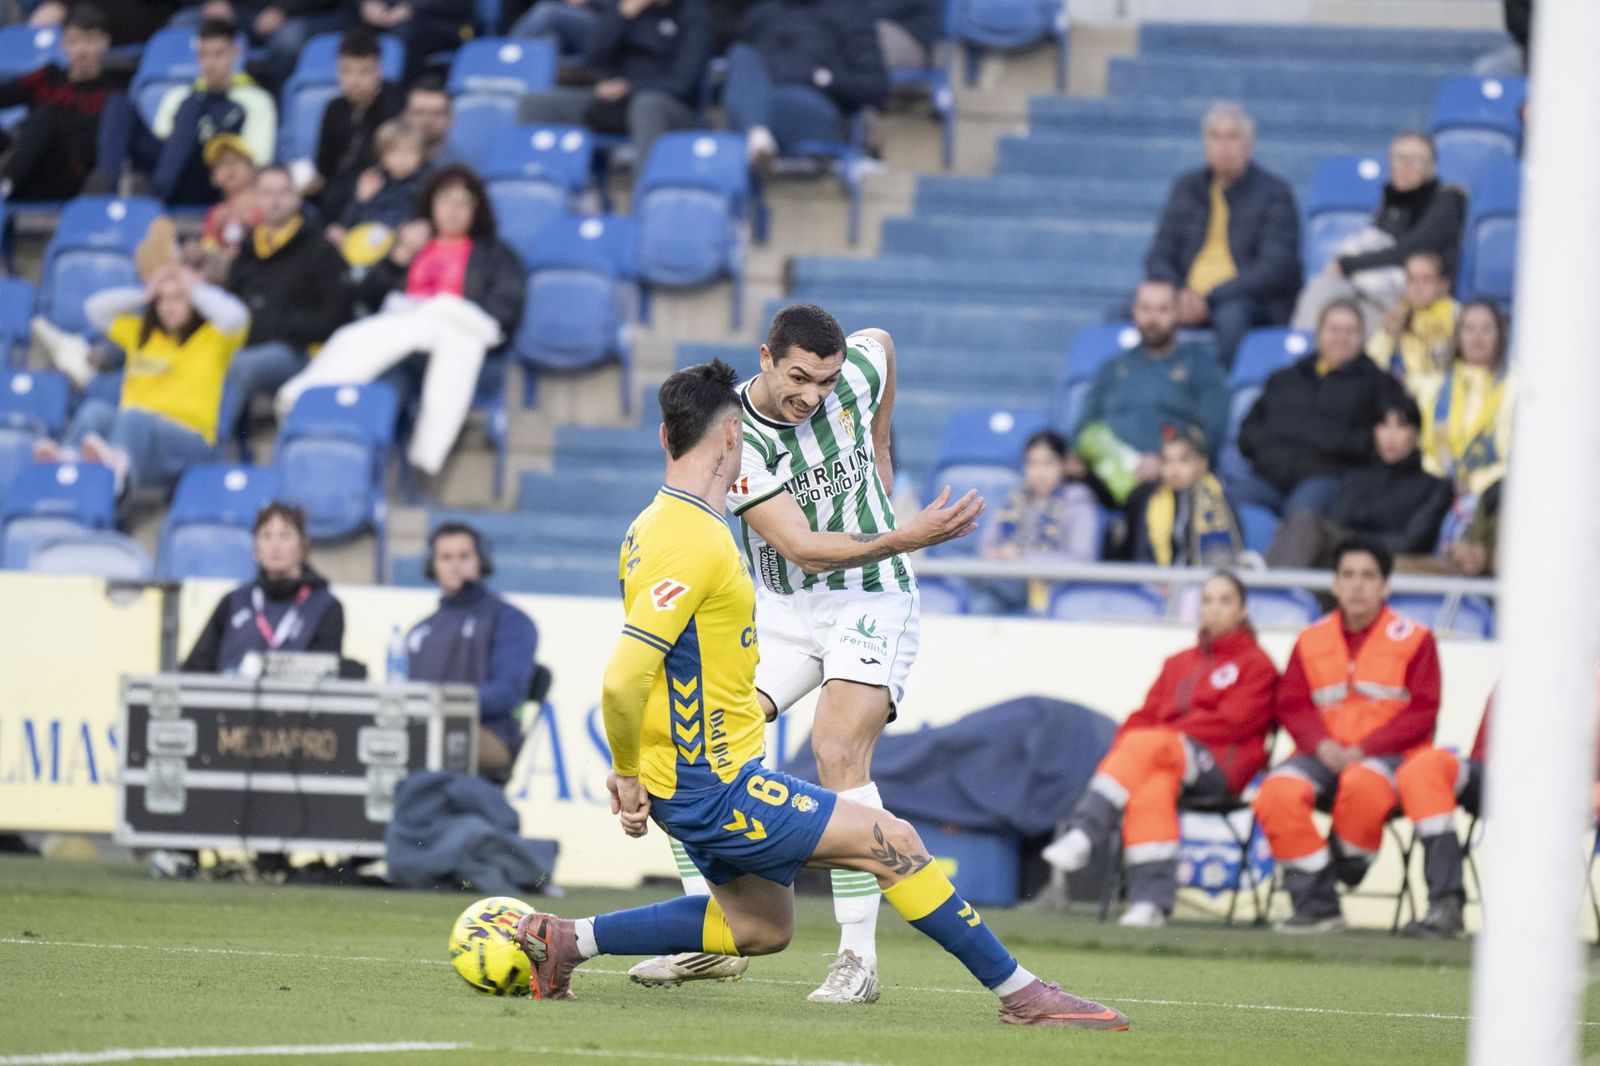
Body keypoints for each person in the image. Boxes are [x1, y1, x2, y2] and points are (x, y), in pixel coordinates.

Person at [510, 358, 1130, 1032]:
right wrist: (627, 771)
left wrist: (641, 770)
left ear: (665, 438)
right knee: (891, 839)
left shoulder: (650, 526)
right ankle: (1023, 993)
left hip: (692, 778)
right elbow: (624, 675)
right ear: (730, 441)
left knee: (757, 928)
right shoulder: (691, 540)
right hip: (711, 786)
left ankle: (565, 941)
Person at [631, 305, 983, 1001]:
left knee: (837, 748)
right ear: (765, 357)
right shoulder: (735, 437)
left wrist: (882, 450)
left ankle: (858, 961)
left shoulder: (858, 366)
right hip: (789, 609)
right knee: (685, 743)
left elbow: (882, 341)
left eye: (825, 382)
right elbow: (798, 547)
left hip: (873, 597)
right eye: (798, 378)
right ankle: (720, 934)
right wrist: (906, 533)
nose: (813, 396)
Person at [1042, 572, 1277, 927]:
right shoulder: (1178, 662)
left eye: (1225, 600)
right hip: (1167, 759)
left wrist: (1160, 736)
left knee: (1151, 745)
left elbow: (1234, 722)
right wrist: (1134, 743)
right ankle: (1150, 903)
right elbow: (1144, 714)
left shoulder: (1257, 664)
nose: (1214, 609)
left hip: (1221, 770)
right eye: (1208, 600)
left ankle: (1085, 831)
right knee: (1151, 781)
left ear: (1242, 609)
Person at [274, 165, 525, 476]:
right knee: (375, 373)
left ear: (478, 209)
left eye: (463, 202)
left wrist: (444, 312)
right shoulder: (411, 246)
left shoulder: (496, 255)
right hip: (397, 346)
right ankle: (335, 455)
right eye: (445, 200)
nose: (453, 210)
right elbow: (367, 299)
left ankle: (376, 470)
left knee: (388, 383)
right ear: (430, 206)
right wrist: (399, 257)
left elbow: (502, 315)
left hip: (454, 348)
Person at [1252, 537, 1441, 932]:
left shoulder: (1416, 638)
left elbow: (1422, 710)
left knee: (1363, 780)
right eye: (1348, 575)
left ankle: (1346, 864)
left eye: (1368, 576)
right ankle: (1318, 905)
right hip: (1321, 755)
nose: (1357, 585)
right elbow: (1292, 703)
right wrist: (1321, 744)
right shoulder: (1311, 637)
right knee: (1276, 791)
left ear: (1385, 586)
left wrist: (1365, 749)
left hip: (1387, 758)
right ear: (1335, 584)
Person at [34, 264, 249, 495]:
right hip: (139, 441)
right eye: (162, 299)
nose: (169, 306)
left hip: (191, 442)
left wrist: (193, 287)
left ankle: (116, 486)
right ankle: (66, 464)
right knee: (95, 411)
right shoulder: (141, 334)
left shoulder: (214, 338)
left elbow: (236, 315)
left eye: (178, 298)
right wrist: (145, 293)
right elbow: (94, 309)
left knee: (135, 418)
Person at [1142, 102, 1301, 368]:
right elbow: (1159, 253)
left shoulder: (1275, 192)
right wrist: (1176, 295)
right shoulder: (1186, 188)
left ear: (1249, 146)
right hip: (1185, 297)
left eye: (1232, 137)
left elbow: (1275, 267)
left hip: (1243, 300)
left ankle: (1223, 401)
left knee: (1232, 318)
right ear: (1205, 145)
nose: (1223, 146)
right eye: (1215, 137)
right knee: (1127, 314)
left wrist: (1210, 298)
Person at [216, 164, 354, 453]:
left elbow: (338, 316)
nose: (275, 200)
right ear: (255, 199)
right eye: (266, 193)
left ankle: (213, 450)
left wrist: (280, 325)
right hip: (249, 345)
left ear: (297, 198)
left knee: (241, 366)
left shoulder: (320, 248)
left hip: (300, 352)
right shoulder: (248, 248)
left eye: (283, 192)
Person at [1234, 299, 1407, 519]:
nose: (1341, 338)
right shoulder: (1285, 378)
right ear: (1318, 333)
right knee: (1221, 504)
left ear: (1363, 337)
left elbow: (1386, 438)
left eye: (1350, 331)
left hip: (1327, 477)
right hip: (1268, 476)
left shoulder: (1378, 383)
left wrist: (1338, 448)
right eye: (1334, 329)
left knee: (1302, 516)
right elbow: (1249, 428)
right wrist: (1265, 450)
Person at [1292, 132, 1467, 335]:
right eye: (1400, 159)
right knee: (1322, 288)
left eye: (1417, 160)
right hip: (1369, 294)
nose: (1407, 166)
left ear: (1433, 166)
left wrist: (1347, 264)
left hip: (1409, 309)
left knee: (1342, 321)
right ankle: (1303, 353)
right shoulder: (1391, 204)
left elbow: (1411, 250)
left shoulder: (1446, 200)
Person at [1074, 280, 1229, 504]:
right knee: (1065, 492)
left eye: (1162, 309)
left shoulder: (1202, 367)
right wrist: (1074, 458)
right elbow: (1085, 424)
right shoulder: (1112, 368)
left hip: (1166, 472)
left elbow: (1210, 431)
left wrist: (1164, 459)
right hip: (1107, 469)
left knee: (1148, 497)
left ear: (1177, 312)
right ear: (1134, 312)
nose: (1153, 319)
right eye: (1145, 309)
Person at [93, 17, 277, 205]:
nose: (210, 64)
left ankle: (155, 199)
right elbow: (166, 148)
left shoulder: (255, 100)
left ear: (235, 54)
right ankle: (104, 194)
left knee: (192, 107)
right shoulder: (179, 96)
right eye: (203, 55)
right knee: (118, 103)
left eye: (218, 54)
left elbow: (258, 160)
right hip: (171, 174)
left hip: (215, 180)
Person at [406, 523, 539, 782]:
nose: (455, 565)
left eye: (464, 556)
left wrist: (444, 703)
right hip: (429, 729)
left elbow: (508, 691)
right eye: (446, 557)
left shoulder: (509, 619)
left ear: (481, 561)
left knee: (433, 738)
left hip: (489, 733)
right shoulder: (418, 632)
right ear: (432, 566)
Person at [516, 0, 712, 166]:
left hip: (669, 108)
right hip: (615, 104)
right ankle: (532, 192)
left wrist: (631, 87)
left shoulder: (693, 14)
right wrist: (622, 15)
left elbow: (682, 82)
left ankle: (646, 199)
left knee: (646, 106)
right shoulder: (627, 8)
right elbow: (593, 57)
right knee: (533, 104)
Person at [1265, 396, 1452, 569]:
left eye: (1400, 426)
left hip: (1380, 560)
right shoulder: (1354, 478)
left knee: (1306, 524)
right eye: (1383, 425)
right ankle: (1267, 586)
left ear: (1416, 433)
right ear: (1374, 432)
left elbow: (1410, 541)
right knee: (1298, 526)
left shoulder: (1435, 487)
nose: (1390, 436)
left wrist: (1357, 540)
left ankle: (1273, 591)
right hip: (1339, 557)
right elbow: (1337, 522)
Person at [180, 501, 345, 674]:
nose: (275, 545)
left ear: (303, 547)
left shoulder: (326, 606)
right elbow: (195, 669)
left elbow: (324, 674)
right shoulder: (234, 601)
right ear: (255, 548)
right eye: (266, 536)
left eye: (285, 536)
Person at [723, 0, 888, 169]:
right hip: (761, 94)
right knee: (740, 54)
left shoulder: (849, 12)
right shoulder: (762, 11)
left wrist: (826, 79)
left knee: (744, 103)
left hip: (815, 104)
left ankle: (756, 136)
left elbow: (875, 86)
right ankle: (758, 136)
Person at [0, 3, 124, 202]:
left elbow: (94, 148)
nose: (82, 50)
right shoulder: (47, 77)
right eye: (74, 41)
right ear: (64, 44)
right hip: (25, 166)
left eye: (90, 40)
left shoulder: (113, 92)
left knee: (46, 115)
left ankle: (4, 186)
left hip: (67, 176)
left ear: (105, 42)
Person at [969, 429, 1099, 616]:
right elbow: (986, 546)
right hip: (1006, 589)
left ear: (1064, 465)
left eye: (1048, 464)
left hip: (1055, 593)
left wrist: (1024, 558)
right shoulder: (1012, 500)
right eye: (1032, 464)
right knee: (980, 605)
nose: (1039, 473)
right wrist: (996, 554)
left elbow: (1083, 563)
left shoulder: (1079, 503)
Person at [1391, 696, 1489, 940]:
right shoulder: (1524, 670)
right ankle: (1445, 908)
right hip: (1497, 773)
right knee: (1426, 766)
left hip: (1570, 784)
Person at [301, 27, 404, 225]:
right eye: (346, 71)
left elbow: (393, 162)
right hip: (335, 193)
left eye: (364, 72)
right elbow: (324, 165)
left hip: (378, 194)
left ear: (379, 71)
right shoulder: (334, 107)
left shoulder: (393, 103)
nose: (354, 81)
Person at [1423, 299, 1514, 502]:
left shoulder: (1514, 386)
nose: (1477, 337)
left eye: (1486, 329)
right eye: (1469, 328)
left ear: (1500, 335)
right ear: (1458, 335)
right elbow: (1425, 450)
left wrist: (1475, 483)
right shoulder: (1436, 385)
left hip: (1493, 496)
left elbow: (1517, 459)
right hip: (1437, 492)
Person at [1130, 425, 1241, 568]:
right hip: (1161, 584)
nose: (1174, 471)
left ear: (1202, 463)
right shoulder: (1153, 501)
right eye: (1167, 461)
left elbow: (1224, 562)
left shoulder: (1219, 500)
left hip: (1205, 584)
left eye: (1184, 460)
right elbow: (1143, 556)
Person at [326, 119, 429, 260]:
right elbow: (347, 221)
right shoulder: (372, 179)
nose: (402, 159)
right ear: (382, 156)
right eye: (394, 153)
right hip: (361, 242)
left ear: (421, 155)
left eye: (409, 152)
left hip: (397, 247)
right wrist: (361, 199)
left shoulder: (425, 183)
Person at [1366, 251, 1458, 401]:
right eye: (1411, 279)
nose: (1418, 287)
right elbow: (1371, 367)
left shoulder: (1457, 316)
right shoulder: (1397, 315)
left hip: (1445, 399)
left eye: (1426, 280)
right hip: (1405, 400)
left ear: (1444, 285)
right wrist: (1387, 334)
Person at [187, 133, 259, 282]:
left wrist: (250, 225)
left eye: (236, 161)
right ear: (214, 178)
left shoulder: (268, 201)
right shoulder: (215, 214)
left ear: (252, 168)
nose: (229, 168)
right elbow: (210, 250)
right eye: (221, 164)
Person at [357, 0, 473, 81]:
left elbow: (460, 5)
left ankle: (399, 95)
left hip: (445, 22)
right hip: (392, 18)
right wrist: (367, 4)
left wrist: (411, 6)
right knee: (349, 27)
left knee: (405, 33)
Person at [512, 0, 603, 63]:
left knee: (546, 11)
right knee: (550, 38)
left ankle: (509, 54)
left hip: (604, 23)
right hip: (569, 17)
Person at [399, 75, 454, 167]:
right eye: (419, 113)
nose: (428, 120)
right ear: (403, 116)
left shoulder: (459, 172)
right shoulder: (383, 166)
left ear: (450, 120)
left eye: (437, 113)